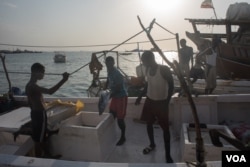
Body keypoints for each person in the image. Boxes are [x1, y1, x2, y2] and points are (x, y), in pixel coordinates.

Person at [135, 51, 174, 163]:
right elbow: (148, 84)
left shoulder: (163, 69)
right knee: (149, 123)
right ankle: (152, 144)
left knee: (165, 129)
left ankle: (168, 154)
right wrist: (140, 96)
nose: (143, 63)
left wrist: (167, 102)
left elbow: (171, 85)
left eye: (144, 61)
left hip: (161, 102)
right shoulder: (147, 69)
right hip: (149, 100)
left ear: (151, 59)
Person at [25, 62, 69, 158]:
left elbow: (30, 102)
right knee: (39, 140)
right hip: (39, 115)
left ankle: (48, 155)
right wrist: (64, 80)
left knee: (41, 137)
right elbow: (50, 91)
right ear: (36, 72)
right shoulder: (32, 86)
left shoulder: (29, 85)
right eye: (42, 72)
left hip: (36, 114)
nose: (44, 74)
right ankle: (38, 160)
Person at [105, 56, 128, 146]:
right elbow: (108, 80)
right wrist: (104, 89)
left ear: (113, 63)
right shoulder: (109, 71)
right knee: (111, 114)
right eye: (107, 64)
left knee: (120, 119)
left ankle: (123, 137)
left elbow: (118, 88)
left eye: (110, 63)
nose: (108, 65)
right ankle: (111, 133)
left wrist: (109, 96)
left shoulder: (117, 74)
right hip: (114, 97)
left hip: (121, 97)